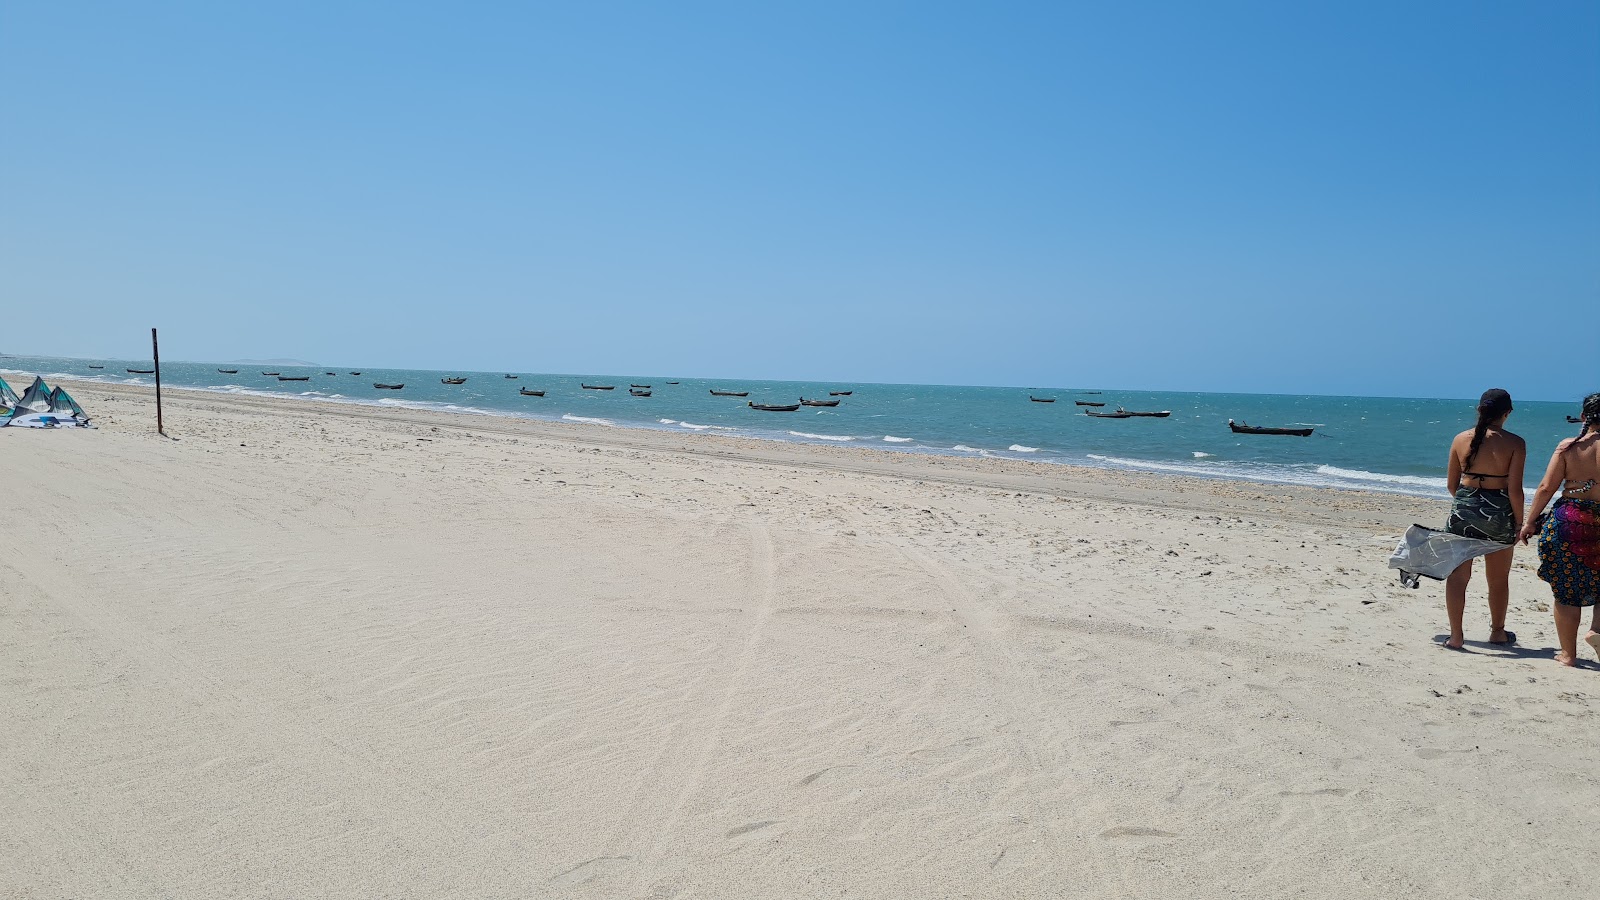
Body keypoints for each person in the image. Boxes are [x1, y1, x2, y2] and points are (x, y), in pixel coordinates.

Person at [1518, 392, 1600, 666]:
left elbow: (1545, 488)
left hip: (1569, 523)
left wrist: (1529, 522)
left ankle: (1568, 654)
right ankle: (1596, 631)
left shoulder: (1568, 446)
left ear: (1585, 417)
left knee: (1567, 588)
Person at [1442, 389, 1525, 649]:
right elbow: (1515, 490)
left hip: (1464, 509)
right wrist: (1520, 523)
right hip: (1499, 512)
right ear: (1507, 413)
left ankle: (1456, 636)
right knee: (1498, 579)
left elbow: (1451, 485)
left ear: (1479, 410)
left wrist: (1470, 504)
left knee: (1458, 576)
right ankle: (1497, 632)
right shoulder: (1515, 443)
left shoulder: (1460, 439)